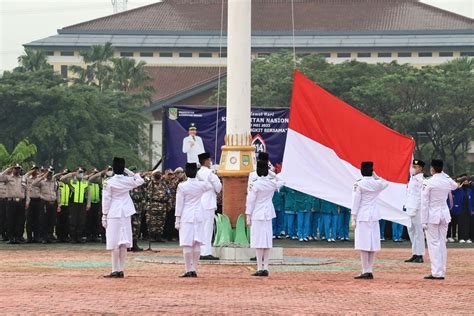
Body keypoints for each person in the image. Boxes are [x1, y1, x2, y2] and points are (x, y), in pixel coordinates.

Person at [102, 157, 144, 278]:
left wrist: (104, 215)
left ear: (114, 168)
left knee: (114, 242)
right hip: (125, 212)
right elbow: (140, 180)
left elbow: (106, 200)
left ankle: (115, 270)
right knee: (123, 242)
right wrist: (128, 171)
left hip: (113, 212)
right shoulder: (128, 180)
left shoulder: (109, 182)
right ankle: (121, 269)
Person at [421, 159, 459, 280]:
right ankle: (441, 271)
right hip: (444, 214)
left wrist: (423, 220)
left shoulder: (429, 182)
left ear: (432, 168)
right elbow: (455, 185)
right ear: (442, 169)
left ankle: (436, 272)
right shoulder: (446, 180)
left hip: (432, 215)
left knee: (433, 244)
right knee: (442, 243)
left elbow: (424, 203)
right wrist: (444, 174)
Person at [246, 160, 284, 277]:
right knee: (267, 240)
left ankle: (259, 267)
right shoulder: (271, 183)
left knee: (258, 241)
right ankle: (266, 267)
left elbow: (250, 201)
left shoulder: (255, 184)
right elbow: (282, 181)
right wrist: (272, 174)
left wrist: (248, 215)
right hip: (268, 213)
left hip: (257, 213)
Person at [175, 163, 213, 277]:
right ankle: (194, 269)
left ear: (186, 173)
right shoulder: (201, 185)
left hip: (187, 216)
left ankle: (188, 270)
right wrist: (198, 177)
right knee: (196, 243)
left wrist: (177, 219)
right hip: (199, 215)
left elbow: (179, 204)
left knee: (187, 243)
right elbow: (210, 186)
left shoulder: (182, 186)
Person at [352, 161, 389, 279]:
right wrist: (376, 176)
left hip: (363, 215)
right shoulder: (376, 183)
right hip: (374, 216)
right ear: (372, 170)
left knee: (363, 244)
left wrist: (353, 216)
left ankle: (365, 270)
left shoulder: (359, 184)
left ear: (361, 171)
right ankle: (370, 270)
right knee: (372, 243)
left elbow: (355, 201)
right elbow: (386, 183)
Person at [197, 153, 222, 260]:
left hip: (199, 202)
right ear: (206, 161)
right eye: (209, 160)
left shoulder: (198, 173)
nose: (210, 161)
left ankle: (201, 251)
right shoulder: (210, 173)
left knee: (201, 228)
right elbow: (218, 187)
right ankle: (206, 252)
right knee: (208, 228)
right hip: (208, 202)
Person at [404, 159, 426, 263]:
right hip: (409, 207)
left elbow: (419, 196)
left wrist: (415, 208)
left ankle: (420, 254)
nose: (413, 168)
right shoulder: (412, 178)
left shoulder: (421, 180)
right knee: (411, 231)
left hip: (417, 209)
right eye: (413, 166)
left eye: (415, 167)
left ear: (420, 168)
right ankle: (415, 253)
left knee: (418, 232)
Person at [60, 168, 89, 243]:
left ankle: (79, 237)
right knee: (73, 221)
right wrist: (71, 174)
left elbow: (88, 194)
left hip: (82, 203)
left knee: (81, 221)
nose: (80, 173)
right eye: (79, 172)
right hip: (73, 203)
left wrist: (88, 204)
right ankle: (73, 237)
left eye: (82, 172)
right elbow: (62, 179)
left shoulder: (85, 182)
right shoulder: (71, 181)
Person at [0, 164, 27, 244]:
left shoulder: (22, 179)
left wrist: (26, 201)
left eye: (18, 169)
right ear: (13, 169)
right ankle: (11, 238)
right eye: (15, 169)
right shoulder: (8, 178)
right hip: (10, 201)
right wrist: (8, 169)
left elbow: (27, 190)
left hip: (20, 202)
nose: (17, 170)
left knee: (19, 220)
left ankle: (17, 237)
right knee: (10, 220)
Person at [32, 167, 59, 243]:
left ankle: (50, 236)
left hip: (53, 203)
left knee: (52, 220)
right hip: (45, 203)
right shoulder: (42, 181)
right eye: (48, 173)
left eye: (51, 173)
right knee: (44, 220)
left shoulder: (55, 182)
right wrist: (43, 176)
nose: (49, 175)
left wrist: (59, 204)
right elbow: (34, 184)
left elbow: (57, 193)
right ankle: (43, 237)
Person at [146, 170, 170, 242]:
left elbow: (168, 193)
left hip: (162, 205)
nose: (158, 174)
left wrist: (167, 202)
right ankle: (152, 236)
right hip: (153, 204)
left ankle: (159, 236)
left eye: (159, 173)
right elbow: (148, 194)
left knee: (161, 221)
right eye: (157, 173)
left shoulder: (164, 184)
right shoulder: (151, 183)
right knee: (152, 221)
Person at [25, 165, 42, 243]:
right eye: (33, 169)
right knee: (29, 220)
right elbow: (25, 176)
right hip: (30, 200)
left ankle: (37, 237)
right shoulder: (27, 178)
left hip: (38, 200)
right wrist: (31, 172)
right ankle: (29, 237)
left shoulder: (40, 179)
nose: (35, 171)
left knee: (37, 219)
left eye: (36, 169)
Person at [453, 176, 472, 243]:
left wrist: (471, 209)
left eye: (467, 182)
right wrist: (458, 187)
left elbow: (471, 200)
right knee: (461, 224)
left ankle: (466, 238)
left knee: (467, 224)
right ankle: (461, 238)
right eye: (464, 182)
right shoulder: (458, 190)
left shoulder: (469, 190)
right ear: (462, 182)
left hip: (467, 209)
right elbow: (453, 192)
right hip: (460, 209)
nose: (466, 183)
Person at [55, 169, 71, 242]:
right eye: (63, 174)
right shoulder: (58, 183)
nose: (65, 175)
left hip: (67, 205)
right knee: (59, 221)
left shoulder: (70, 184)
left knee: (67, 221)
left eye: (66, 174)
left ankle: (65, 236)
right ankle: (59, 236)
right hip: (60, 205)